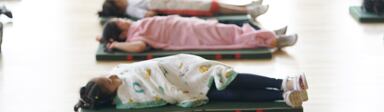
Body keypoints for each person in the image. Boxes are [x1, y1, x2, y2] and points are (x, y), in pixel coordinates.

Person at [73, 54, 308, 111]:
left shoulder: (119, 71)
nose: (113, 78)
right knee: (230, 94)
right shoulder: (127, 98)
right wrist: (178, 94)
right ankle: (283, 97)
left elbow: (153, 66)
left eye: (109, 76)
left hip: (183, 69)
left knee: (230, 78)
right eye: (110, 82)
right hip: (183, 87)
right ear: (110, 93)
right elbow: (155, 91)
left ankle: (283, 82)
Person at [97, 15, 297, 53]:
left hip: (187, 25)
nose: (124, 20)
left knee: (227, 29)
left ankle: (267, 34)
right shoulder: (133, 38)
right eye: (120, 22)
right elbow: (138, 47)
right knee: (229, 36)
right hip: (188, 36)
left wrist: (105, 39)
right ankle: (273, 40)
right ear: (121, 31)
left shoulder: (135, 26)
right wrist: (115, 45)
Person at [98, 0, 269, 20]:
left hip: (172, 2)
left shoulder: (130, 2)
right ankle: (247, 11)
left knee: (212, 2)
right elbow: (148, 15)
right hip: (173, 7)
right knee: (212, 6)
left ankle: (248, 7)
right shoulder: (131, 10)